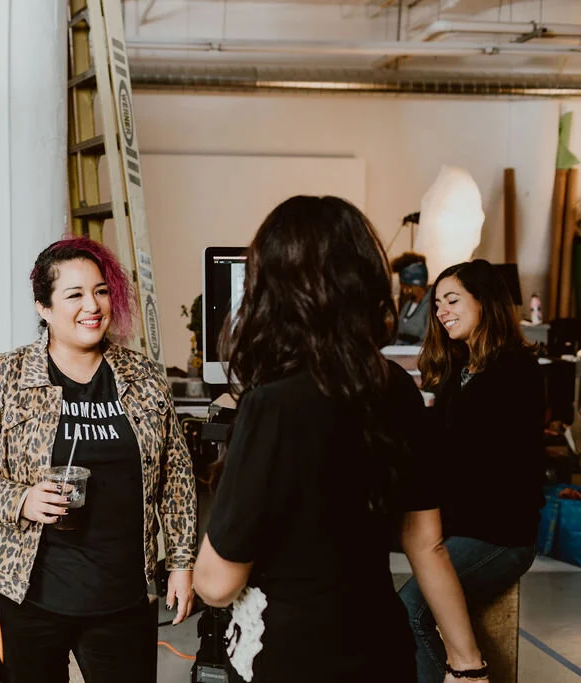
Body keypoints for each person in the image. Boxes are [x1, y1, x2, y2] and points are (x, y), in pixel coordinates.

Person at [193, 196, 488, 682]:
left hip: (294, 657)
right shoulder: (396, 388)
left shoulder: (271, 404)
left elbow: (218, 582)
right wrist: (467, 663)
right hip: (382, 651)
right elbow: (426, 542)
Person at [0, 237, 197, 683]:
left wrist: (181, 559)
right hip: (25, 595)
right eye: (74, 295)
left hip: (122, 595)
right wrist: (21, 498)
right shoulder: (5, 376)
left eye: (99, 291)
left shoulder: (144, 377)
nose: (92, 306)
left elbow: (176, 474)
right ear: (43, 307)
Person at [399, 259, 545, 683]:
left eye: (452, 300)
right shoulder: (461, 372)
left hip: (500, 535)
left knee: (411, 609)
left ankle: (470, 674)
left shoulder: (515, 371)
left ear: (484, 302)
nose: (441, 311)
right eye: (437, 303)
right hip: (460, 527)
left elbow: (474, 460)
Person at [391, 251, 431, 345]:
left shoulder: (432, 304)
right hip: (401, 353)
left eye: (404, 284)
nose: (402, 287)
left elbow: (429, 340)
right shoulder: (408, 304)